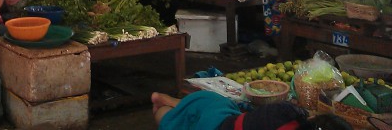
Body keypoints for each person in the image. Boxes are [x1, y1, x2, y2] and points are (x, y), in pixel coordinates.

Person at [151, 91, 352, 130]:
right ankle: (166, 105)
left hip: (221, 112)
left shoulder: (289, 112)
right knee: (167, 119)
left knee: (202, 105)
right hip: (214, 124)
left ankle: (171, 102)